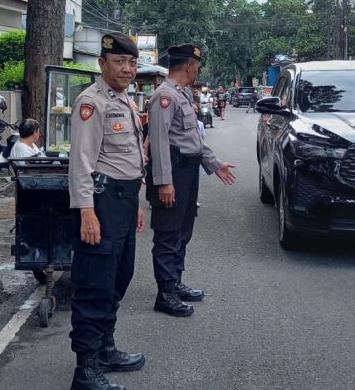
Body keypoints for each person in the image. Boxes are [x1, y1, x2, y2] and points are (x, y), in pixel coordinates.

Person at [67, 32, 146, 390]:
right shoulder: (92, 101)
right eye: (119, 62)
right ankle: (85, 371)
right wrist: (86, 210)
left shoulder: (125, 100)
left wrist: (138, 204)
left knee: (119, 277)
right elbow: (81, 162)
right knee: (94, 284)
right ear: (102, 63)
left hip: (124, 201)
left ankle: (104, 350)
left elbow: (131, 158)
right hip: (102, 201)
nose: (127, 68)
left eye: (132, 62)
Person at [146, 44, 236, 317]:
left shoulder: (182, 95)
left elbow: (193, 140)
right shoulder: (164, 97)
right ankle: (165, 294)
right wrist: (164, 182)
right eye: (197, 65)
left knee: (183, 230)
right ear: (188, 66)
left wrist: (214, 163)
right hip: (172, 172)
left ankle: (175, 282)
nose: (198, 70)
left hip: (187, 171)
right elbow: (159, 143)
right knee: (167, 234)